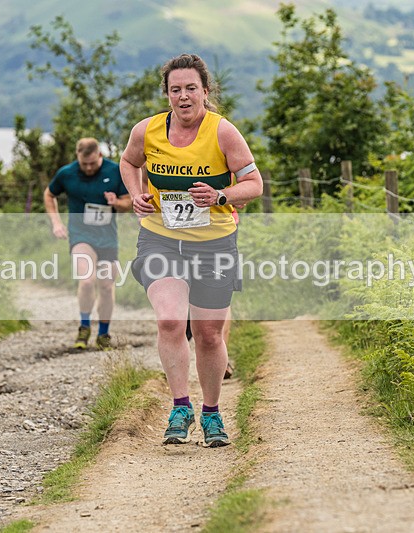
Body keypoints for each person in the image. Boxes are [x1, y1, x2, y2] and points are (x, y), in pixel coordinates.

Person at [120, 53, 262, 447]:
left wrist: (219, 194)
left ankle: (212, 413)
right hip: (160, 238)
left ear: (205, 91)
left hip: (214, 243)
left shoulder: (223, 133)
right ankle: (180, 405)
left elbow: (254, 185)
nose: (183, 96)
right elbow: (129, 162)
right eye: (175, 89)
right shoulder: (146, 131)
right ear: (167, 94)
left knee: (209, 333)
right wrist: (137, 194)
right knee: (169, 319)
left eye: (191, 89)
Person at [44, 138, 131, 351]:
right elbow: (49, 194)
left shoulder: (115, 171)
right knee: (86, 281)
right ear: (78, 158)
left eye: (93, 163)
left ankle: (103, 333)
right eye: (85, 164)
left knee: (107, 285)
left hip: (107, 238)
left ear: (100, 155)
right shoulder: (67, 173)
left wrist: (116, 203)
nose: (89, 168)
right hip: (80, 236)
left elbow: (128, 202)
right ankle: (84, 326)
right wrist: (56, 223)